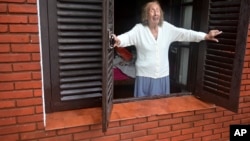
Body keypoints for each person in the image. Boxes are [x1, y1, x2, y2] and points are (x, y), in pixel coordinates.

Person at [112, 0, 222, 97]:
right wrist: (118, 40)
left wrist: (205, 36)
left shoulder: (166, 28)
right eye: (152, 10)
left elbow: (185, 34)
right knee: (143, 109)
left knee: (161, 108)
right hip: (145, 77)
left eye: (158, 10)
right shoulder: (139, 29)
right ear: (146, 14)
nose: (156, 13)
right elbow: (127, 37)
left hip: (162, 76)